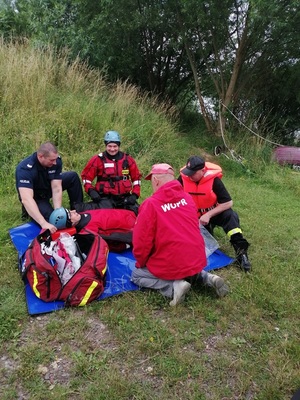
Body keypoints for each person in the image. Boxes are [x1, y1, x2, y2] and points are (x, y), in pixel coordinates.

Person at [131, 163, 229, 306]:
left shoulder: (150, 204)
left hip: (172, 262)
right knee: (186, 263)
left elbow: (142, 241)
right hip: (198, 258)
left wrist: (141, 263)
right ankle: (206, 277)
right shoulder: (187, 198)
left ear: (156, 180)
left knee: (137, 275)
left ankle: (172, 287)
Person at [179, 155, 251, 272]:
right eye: (188, 172)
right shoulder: (183, 178)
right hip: (194, 216)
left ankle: (242, 254)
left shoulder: (214, 181)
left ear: (203, 171)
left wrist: (208, 215)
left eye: (193, 173)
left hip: (213, 213)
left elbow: (228, 202)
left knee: (230, 216)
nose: (189, 176)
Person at [15, 142, 83, 234]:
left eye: (55, 159)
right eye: (51, 160)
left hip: (47, 187)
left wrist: (58, 212)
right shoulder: (25, 169)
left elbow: (56, 188)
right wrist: (43, 223)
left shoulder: (55, 161)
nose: (55, 163)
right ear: (41, 156)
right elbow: (26, 199)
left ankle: (77, 210)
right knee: (52, 222)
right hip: (36, 197)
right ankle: (29, 212)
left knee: (72, 177)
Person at [76, 130, 142, 215]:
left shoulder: (128, 160)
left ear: (119, 146)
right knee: (91, 215)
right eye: (109, 146)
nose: (112, 149)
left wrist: (134, 195)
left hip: (125, 198)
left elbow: (136, 179)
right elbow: (86, 178)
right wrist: (91, 191)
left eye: (115, 146)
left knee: (141, 214)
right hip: (105, 198)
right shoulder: (98, 160)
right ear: (105, 145)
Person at [49, 207, 136, 251]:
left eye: (70, 210)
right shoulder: (87, 233)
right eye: (70, 214)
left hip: (131, 215)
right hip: (134, 226)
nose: (74, 211)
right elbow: (107, 243)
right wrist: (124, 246)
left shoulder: (81, 215)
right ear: (70, 223)